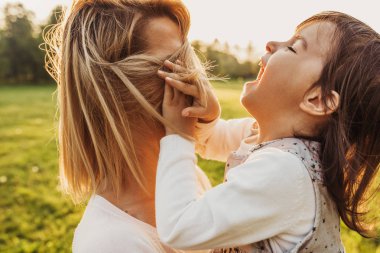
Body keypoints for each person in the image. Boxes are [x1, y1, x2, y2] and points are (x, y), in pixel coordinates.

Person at [155, 11, 380, 252]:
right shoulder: (265, 136)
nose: (271, 44)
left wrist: (178, 136)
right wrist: (208, 115)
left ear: (317, 100)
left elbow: (179, 228)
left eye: (293, 47)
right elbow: (211, 140)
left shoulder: (286, 172)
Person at [44, 0, 214, 252]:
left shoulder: (186, 179)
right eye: (174, 66)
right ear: (116, 93)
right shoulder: (111, 243)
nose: (194, 80)